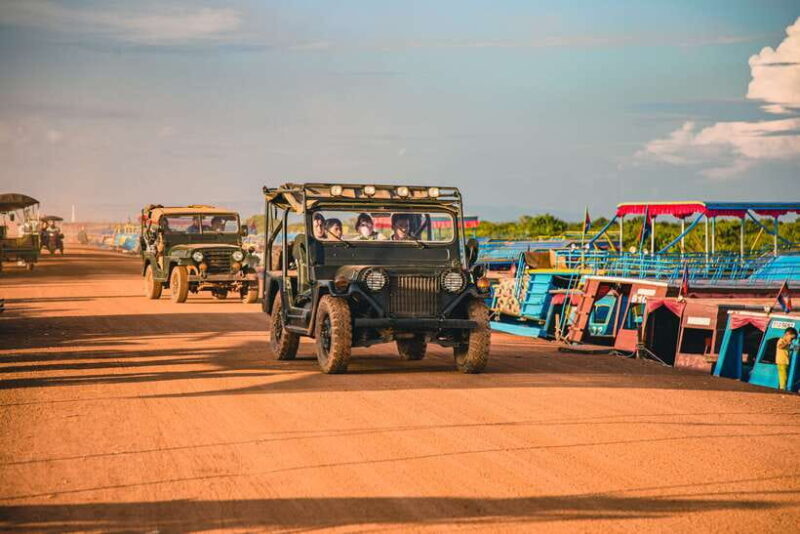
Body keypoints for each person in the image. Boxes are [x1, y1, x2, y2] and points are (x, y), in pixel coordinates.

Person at [776, 326, 797, 391]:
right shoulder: (782, 340)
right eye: (791, 338)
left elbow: (791, 349)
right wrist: (787, 343)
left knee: (782, 376)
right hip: (782, 361)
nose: (791, 340)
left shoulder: (786, 342)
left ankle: (781, 389)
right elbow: (780, 346)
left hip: (784, 361)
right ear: (787, 334)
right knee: (783, 377)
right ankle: (783, 390)